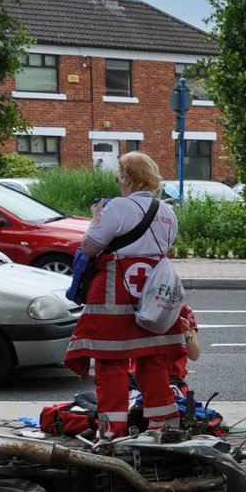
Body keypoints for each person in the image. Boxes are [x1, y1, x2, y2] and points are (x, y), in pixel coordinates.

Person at [64, 151, 183, 438]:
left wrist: (96, 219)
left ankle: (111, 431)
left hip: (114, 298)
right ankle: (164, 427)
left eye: (119, 175)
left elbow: (91, 248)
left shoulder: (118, 207)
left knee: (110, 364)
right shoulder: (167, 213)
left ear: (127, 177)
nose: (118, 180)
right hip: (152, 300)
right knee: (152, 360)